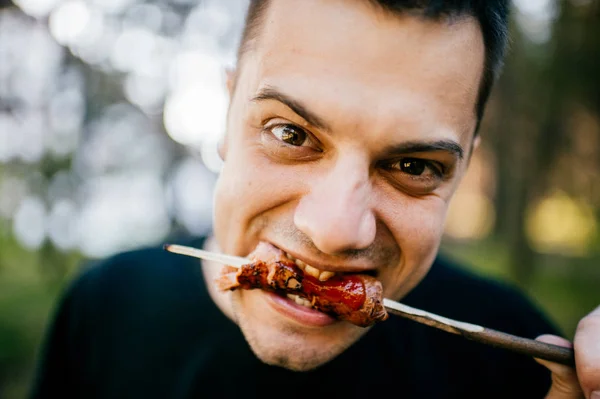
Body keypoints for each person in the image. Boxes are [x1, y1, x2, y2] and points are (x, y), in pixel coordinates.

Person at [30, 0, 599, 398]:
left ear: (465, 166)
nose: (334, 229)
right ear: (228, 116)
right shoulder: (103, 310)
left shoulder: (525, 368)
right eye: (291, 134)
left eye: (412, 166)